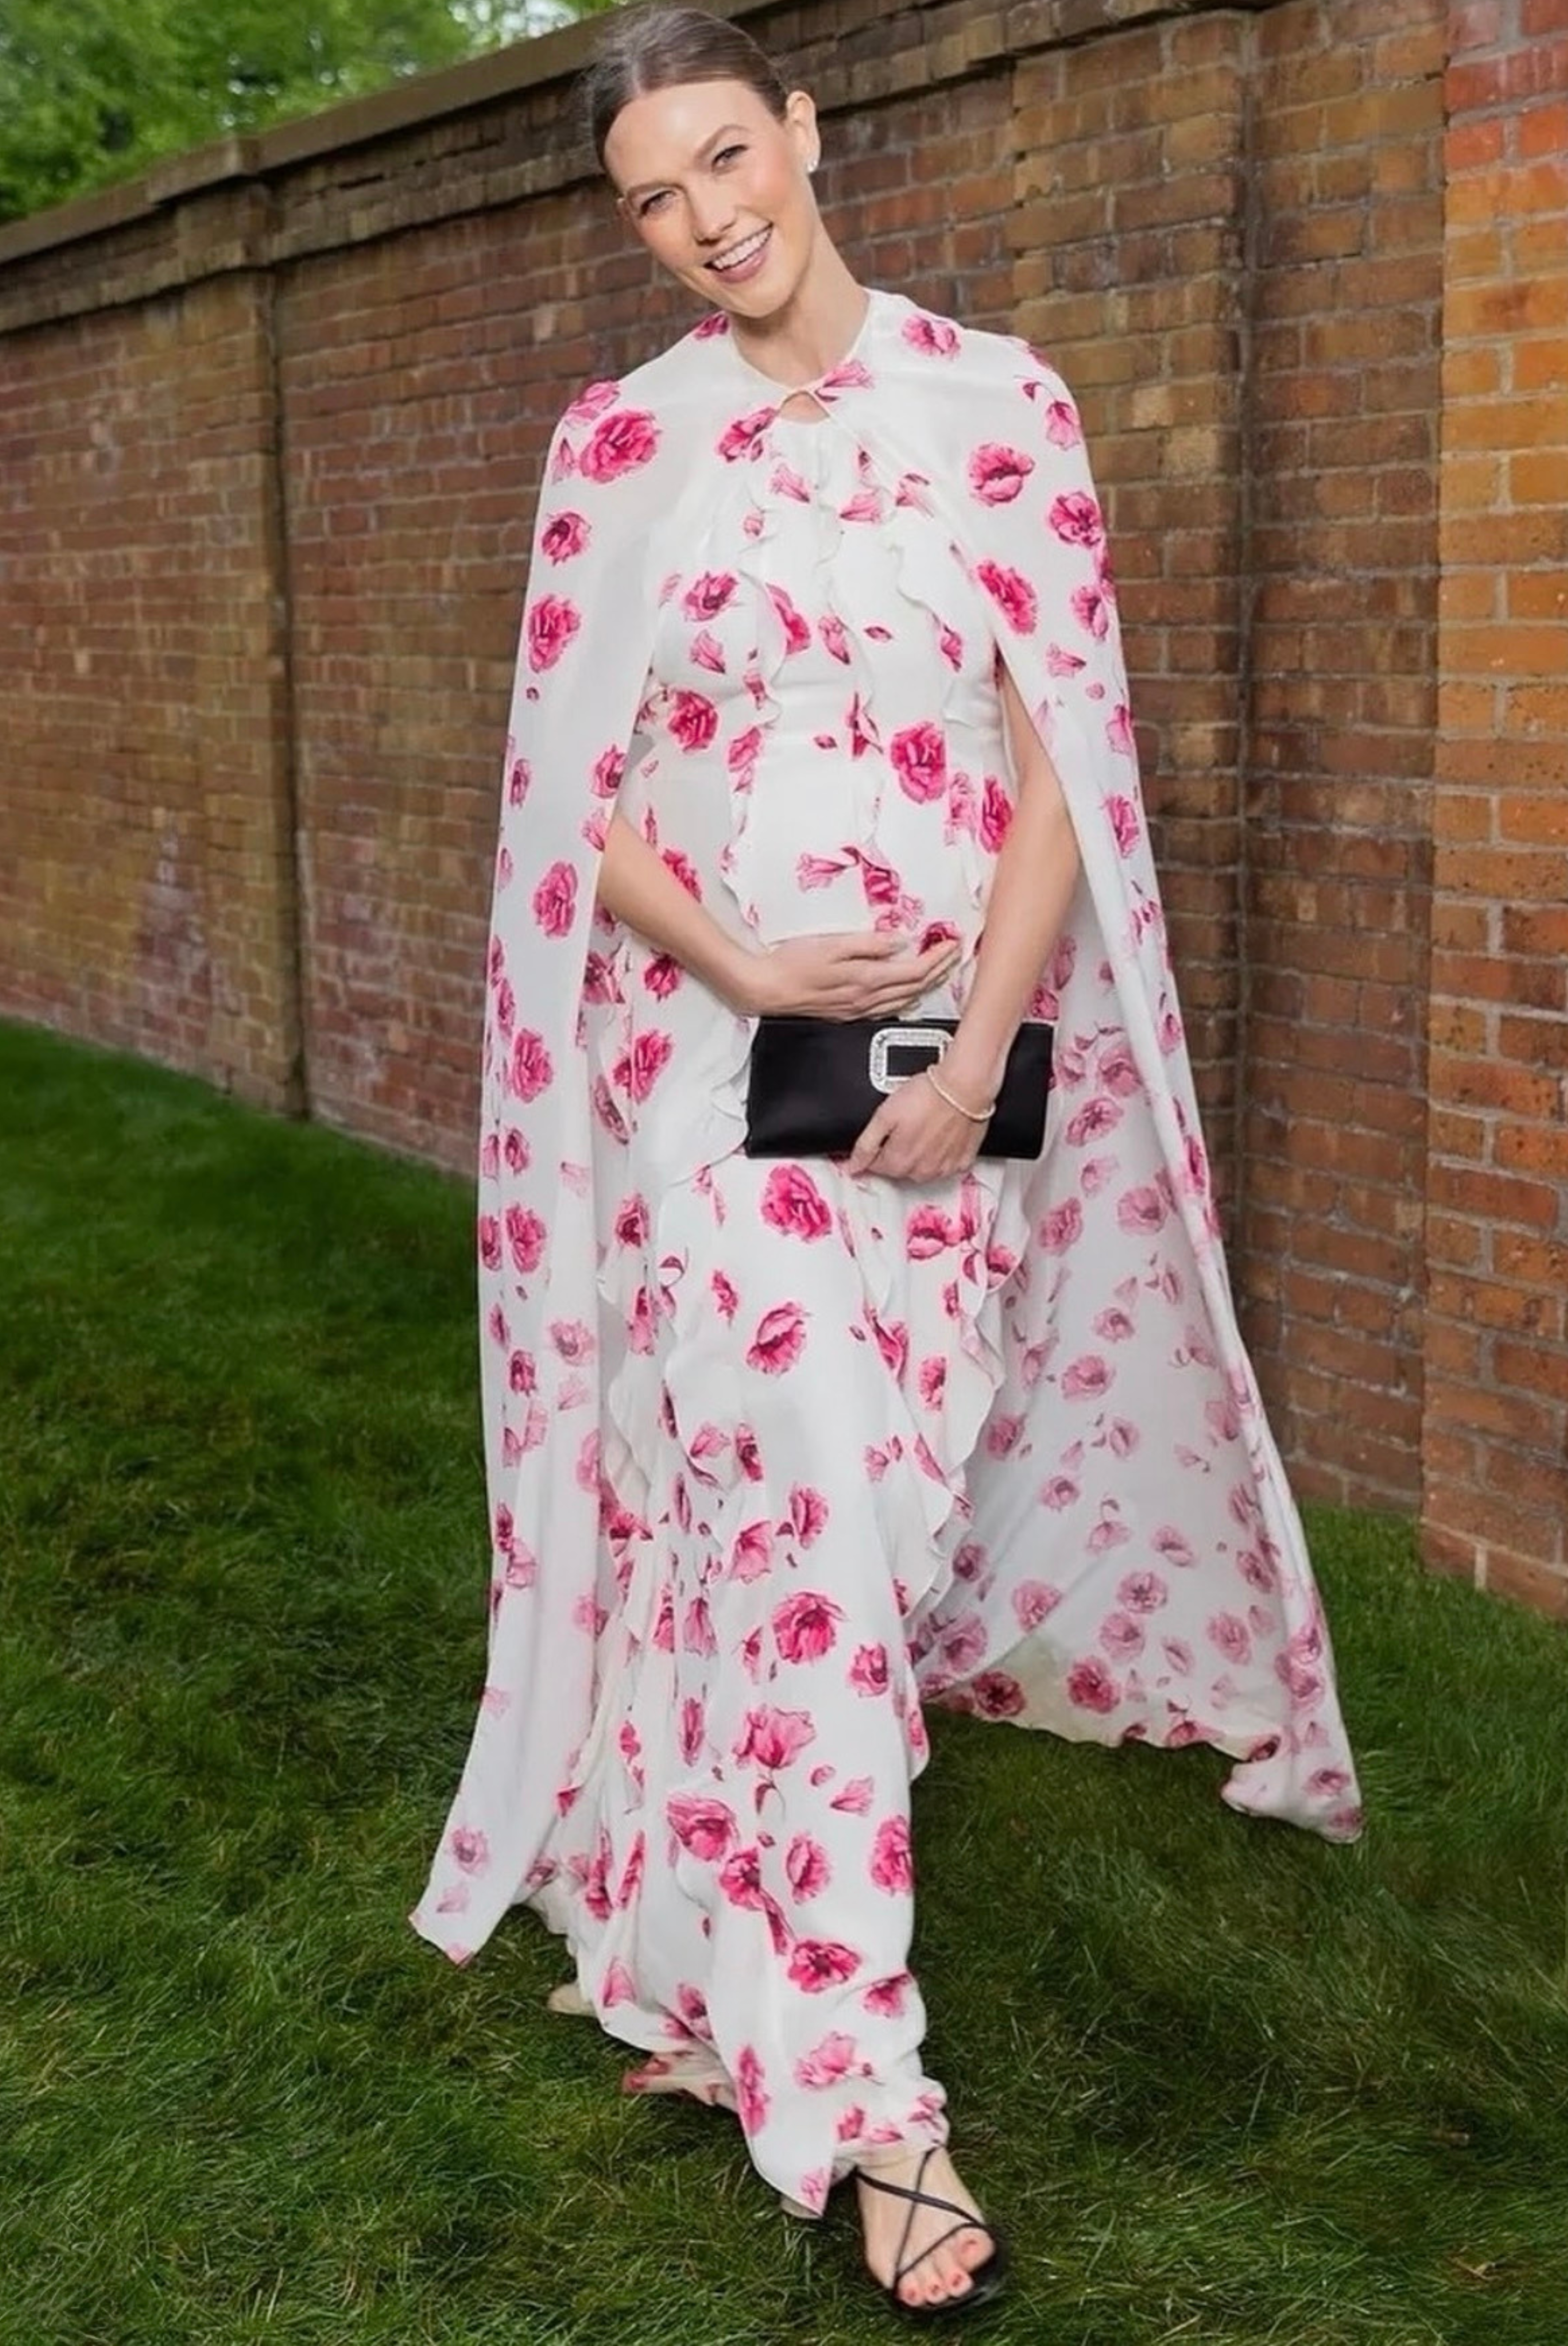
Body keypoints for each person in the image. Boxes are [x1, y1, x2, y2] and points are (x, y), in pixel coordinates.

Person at [412, 3, 1363, 2318]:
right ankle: (871, 2094)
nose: (707, 219)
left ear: (808, 131)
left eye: (729, 157)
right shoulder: (616, 442)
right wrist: (743, 960)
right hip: (698, 1065)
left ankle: (711, 1950)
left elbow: (1064, 766)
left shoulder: (996, 403)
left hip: (947, 1071)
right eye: (653, 192)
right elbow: (569, 814)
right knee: (799, 1497)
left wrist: (970, 1055)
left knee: (868, 1510)